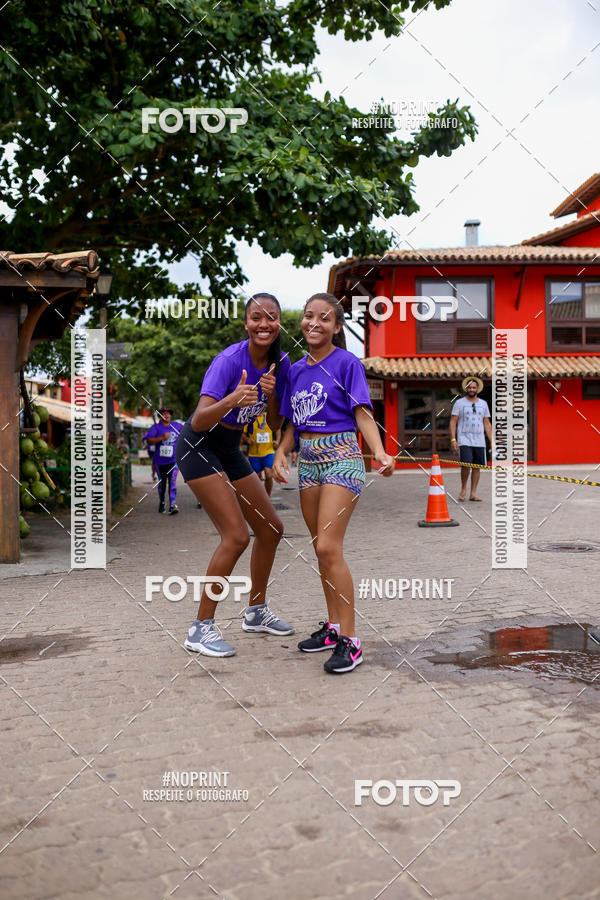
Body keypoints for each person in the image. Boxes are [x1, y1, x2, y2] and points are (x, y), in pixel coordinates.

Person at [273, 292, 395, 674]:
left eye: (324, 318)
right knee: (320, 550)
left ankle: (351, 640)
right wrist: (280, 452)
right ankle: (332, 627)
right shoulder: (295, 369)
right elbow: (294, 419)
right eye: (309, 316)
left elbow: (362, 411)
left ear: (337, 327)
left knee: (329, 546)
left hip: (342, 456)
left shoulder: (346, 363)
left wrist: (379, 450)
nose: (314, 323)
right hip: (306, 462)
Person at [175, 292, 294, 657]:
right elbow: (197, 420)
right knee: (236, 536)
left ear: (278, 324)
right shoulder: (229, 360)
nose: (264, 323)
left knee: (271, 529)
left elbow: (275, 423)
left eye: (271, 317)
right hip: (198, 446)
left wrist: (271, 397)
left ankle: (256, 611)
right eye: (256, 317)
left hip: (228, 448)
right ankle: (200, 628)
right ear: (246, 323)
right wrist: (232, 399)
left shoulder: (282, 362)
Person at [449, 377, 493, 501]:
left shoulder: (483, 404)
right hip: (464, 440)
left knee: (477, 467)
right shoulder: (459, 403)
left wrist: (492, 441)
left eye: (474, 387)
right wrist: (453, 439)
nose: (472, 389)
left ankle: (473, 493)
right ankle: (463, 488)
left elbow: (487, 423)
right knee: (465, 465)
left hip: (479, 441)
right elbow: (453, 422)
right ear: (466, 388)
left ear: (477, 389)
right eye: (469, 387)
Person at [144, 408, 182, 514]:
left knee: (172, 481)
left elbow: (186, 434)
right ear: (160, 416)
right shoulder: (156, 427)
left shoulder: (177, 426)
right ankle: (162, 503)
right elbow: (149, 441)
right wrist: (161, 438)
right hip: (159, 461)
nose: (167, 415)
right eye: (164, 413)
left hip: (174, 460)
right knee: (162, 483)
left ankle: (172, 505)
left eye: (169, 413)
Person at [244, 413, 278, 495]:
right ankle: (260, 497)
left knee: (269, 475)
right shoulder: (250, 417)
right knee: (257, 478)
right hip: (254, 454)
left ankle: (268, 496)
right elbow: (242, 432)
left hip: (268, 452)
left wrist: (277, 440)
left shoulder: (269, 416)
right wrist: (247, 439)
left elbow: (278, 428)